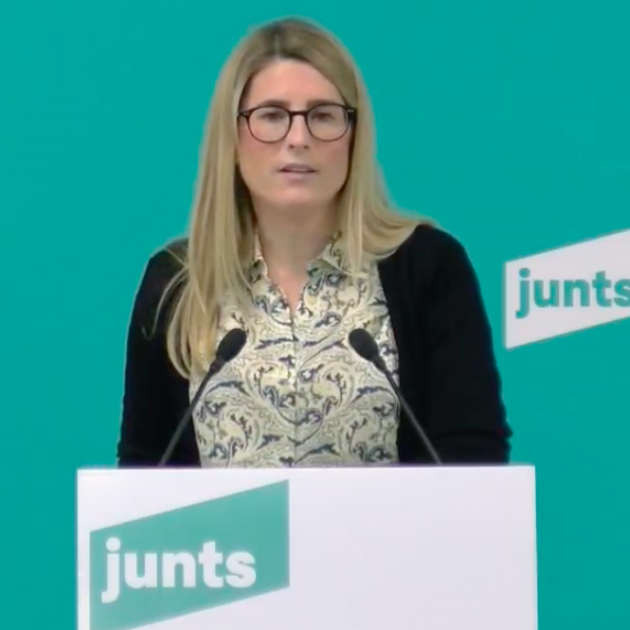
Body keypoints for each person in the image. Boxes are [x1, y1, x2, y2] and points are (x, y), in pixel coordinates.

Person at [117, 16, 512, 468]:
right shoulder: (177, 281)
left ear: (354, 136)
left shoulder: (428, 267)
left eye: (323, 115)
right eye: (272, 115)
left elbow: (473, 458)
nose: (299, 138)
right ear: (232, 137)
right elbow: (145, 468)